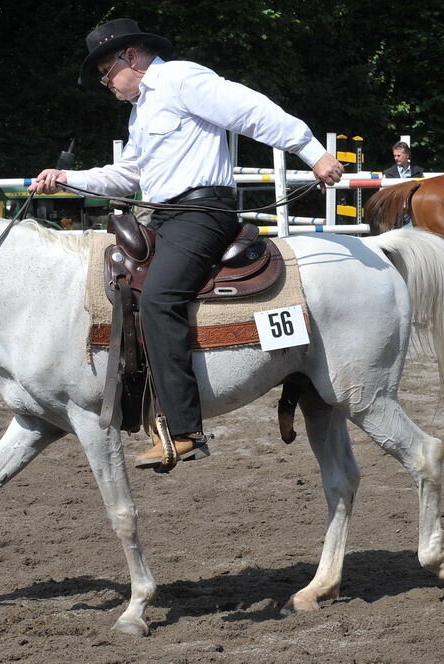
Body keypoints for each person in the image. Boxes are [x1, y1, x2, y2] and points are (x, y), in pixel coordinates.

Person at [30, 18, 343, 469]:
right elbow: (127, 175)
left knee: (159, 299)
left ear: (131, 57)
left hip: (201, 214)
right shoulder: (141, 112)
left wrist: (313, 152)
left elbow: (250, 110)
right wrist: (67, 178)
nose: (105, 83)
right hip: (165, 215)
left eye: (105, 72)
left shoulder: (180, 78)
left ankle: (185, 431)